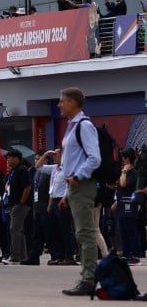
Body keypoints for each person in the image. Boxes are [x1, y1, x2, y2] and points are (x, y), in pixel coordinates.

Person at [59, 87, 102, 296]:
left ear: (73, 103)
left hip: (82, 184)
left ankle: (89, 279)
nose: (59, 105)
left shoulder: (84, 126)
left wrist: (77, 177)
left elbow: (94, 157)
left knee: (85, 232)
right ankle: (87, 276)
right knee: (81, 232)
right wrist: (67, 192)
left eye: (62, 101)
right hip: (75, 187)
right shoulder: (72, 126)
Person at [3, 150, 31, 265]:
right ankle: (23, 256)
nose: (8, 160)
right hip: (12, 203)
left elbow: (27, 187)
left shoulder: (21, 170)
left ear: (17, 158)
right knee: (19, 230)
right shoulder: (13, 171)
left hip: (19, 205)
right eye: (7, 157)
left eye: (10, 157)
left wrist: (21, 202)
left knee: (14, 230)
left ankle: (15, 257)